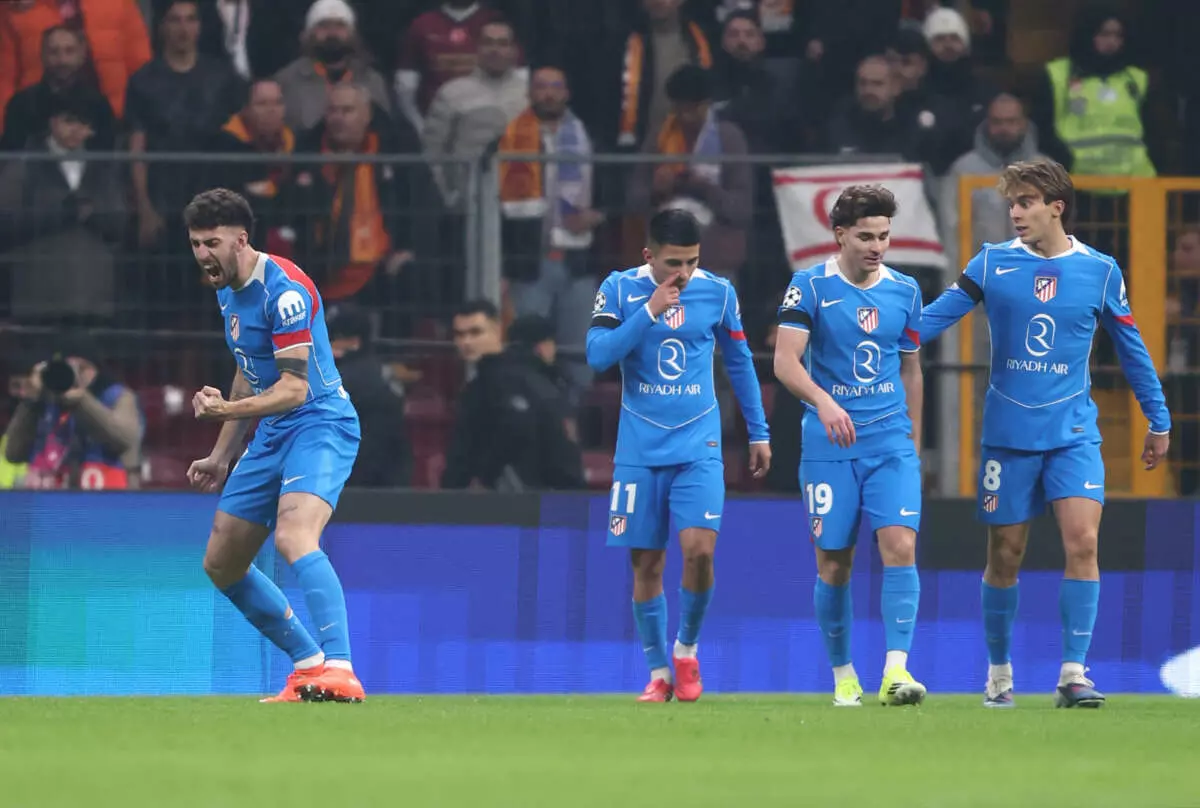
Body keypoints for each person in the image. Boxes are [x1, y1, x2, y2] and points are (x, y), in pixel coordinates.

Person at [918, 158, 1171, 709]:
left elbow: (1131, 348)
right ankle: (999, 675)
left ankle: (1073, 674)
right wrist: (869, 332)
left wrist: (1159, 418)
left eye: (1026, 202)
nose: (1015, 212)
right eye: (1012, 203)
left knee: (1084, 542)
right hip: (1008, 437)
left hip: (1073, 433)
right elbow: (930, 320)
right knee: (1006, 554)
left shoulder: (1100, 271)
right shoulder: (992, 263)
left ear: (1057, 207)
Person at [182, 188, 365, 704]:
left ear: (241, 240)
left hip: (320, 422)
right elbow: (249, 370)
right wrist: (221, 455)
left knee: (294, 535)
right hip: (271, 431)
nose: (202, 254)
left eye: (212, 243)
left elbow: (294, 389)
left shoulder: (284, 292)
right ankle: (309, 666)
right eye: (195, 244)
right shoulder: (226, 289)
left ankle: (341, 668)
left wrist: (225, 411)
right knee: (222, 562)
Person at [586, 208, 771, 703]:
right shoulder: (620, 289)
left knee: (700, 551)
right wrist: (649, 310)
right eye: (674, 263)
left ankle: (686, 649)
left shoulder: (719, 293)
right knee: (646, 564)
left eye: (692, 261)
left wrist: (758, 431)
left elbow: (740, 363)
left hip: (698, 444)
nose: (684, 273)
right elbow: (598, 355)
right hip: (639, 448)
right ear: (649, 256)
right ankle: (658, 673)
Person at [772, 185, 927, 708]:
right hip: (829, 446)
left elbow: (911, 368)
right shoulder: (809, 287)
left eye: (884, 236)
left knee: (900, 546)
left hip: (889, 444)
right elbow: (785, 362)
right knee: (834, 565)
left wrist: (912, 441)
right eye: (865, 236)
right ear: (840, 235)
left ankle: (896, 671)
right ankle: (843, 676)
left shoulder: (905, 290)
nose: (877, 246)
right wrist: (824, 402)